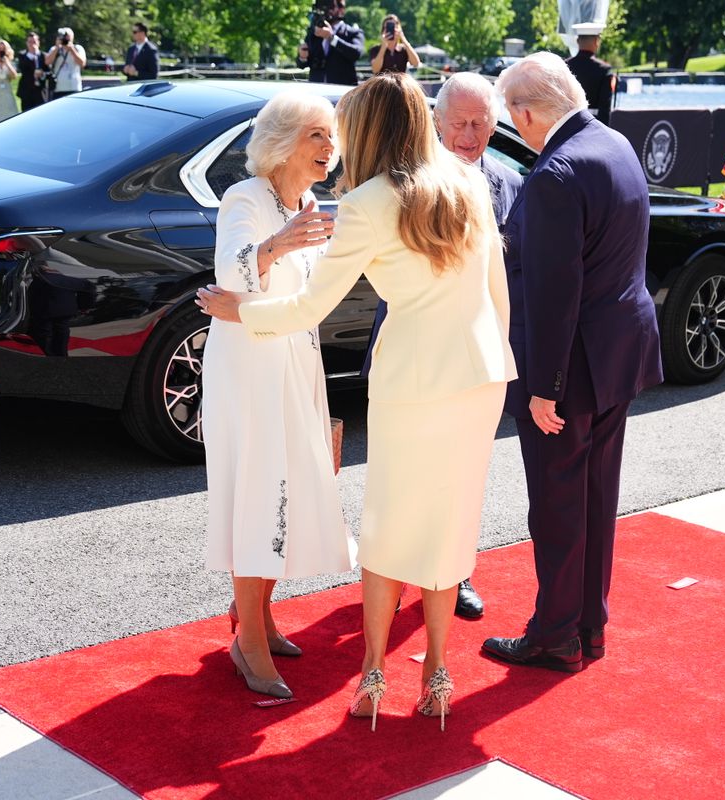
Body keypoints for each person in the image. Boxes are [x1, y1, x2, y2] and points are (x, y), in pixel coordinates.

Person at [197, 73, 515, 731]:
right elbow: (499, 294)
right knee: (451, 523)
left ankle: (372, 676)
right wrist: (495, 359)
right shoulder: (467, 180)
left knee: (390, 524)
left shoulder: (368, 202)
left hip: (415, 380)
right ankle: (435, 673)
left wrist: (243, 313)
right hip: (482, 374)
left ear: (368, 130)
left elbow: (314, 305)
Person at [481, 53, 662, 672]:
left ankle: (555, 635)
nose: (517, 127)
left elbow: (554, 292)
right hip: (619, 354)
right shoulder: (615, 144)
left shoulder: (556, 172)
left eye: (513, 117)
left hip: (572, 367)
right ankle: (590, 627)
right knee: (595, 497)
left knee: (558, 504)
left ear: (526, 113)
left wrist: (543, 387)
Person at [198, 91, 356, 700]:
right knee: (259, 493)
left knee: (289, 486)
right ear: (284, 142)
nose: (328, 148)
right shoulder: (246, 199)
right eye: (316, 135)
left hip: (295, 361)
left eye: (330, 136)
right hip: (249, 369)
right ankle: (249, 645)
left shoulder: (311, 203)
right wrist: (279, 244)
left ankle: (258, 617)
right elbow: (231, 275)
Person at [359, 71, 521, 621]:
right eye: (460, 123)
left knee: (456, 485)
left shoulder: (506, 184)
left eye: (481, 123)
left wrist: (500, 354)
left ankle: (455, 575)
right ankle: (398, 575)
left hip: (473, 366)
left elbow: (505, 280)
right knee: (405, 486)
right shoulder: (397, 181)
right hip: (413, 355)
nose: (470, 134)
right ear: (437, 122)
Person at [296, 0, 363, 85]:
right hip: (317, 90)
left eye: (330, 7)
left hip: (343, 91)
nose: (325, 11)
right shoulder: (314, 33)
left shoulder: (353, 32)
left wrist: (332, 38)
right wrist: (302, 57)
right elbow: (302, 65)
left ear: (341, 9)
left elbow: (356, 53)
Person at [565, 22, 613, 124]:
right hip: (593, 123)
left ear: (577, 41)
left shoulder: (564, 66)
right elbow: (604, 108)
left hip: (567, 123)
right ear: (597, 41)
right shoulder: (603, 70)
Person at [45, 26, 86, 98]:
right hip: (58, 88)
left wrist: (72, 49)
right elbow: (47, 62)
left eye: (67, 37)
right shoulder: (54, 49)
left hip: (74, 87)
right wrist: (57, 48)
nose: (65, 39)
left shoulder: (78, 48)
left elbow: (82, 63)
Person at [17, 31, 46, 111]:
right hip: (26, 92)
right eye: (30, 42)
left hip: (40, 92)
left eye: (34, 42)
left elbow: (48, 71)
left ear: (38, 42)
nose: (32, 44)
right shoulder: (22, 55)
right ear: (26, 43)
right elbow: (22, 68)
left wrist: (42, 74)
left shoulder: (43, 56)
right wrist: (31, 55)